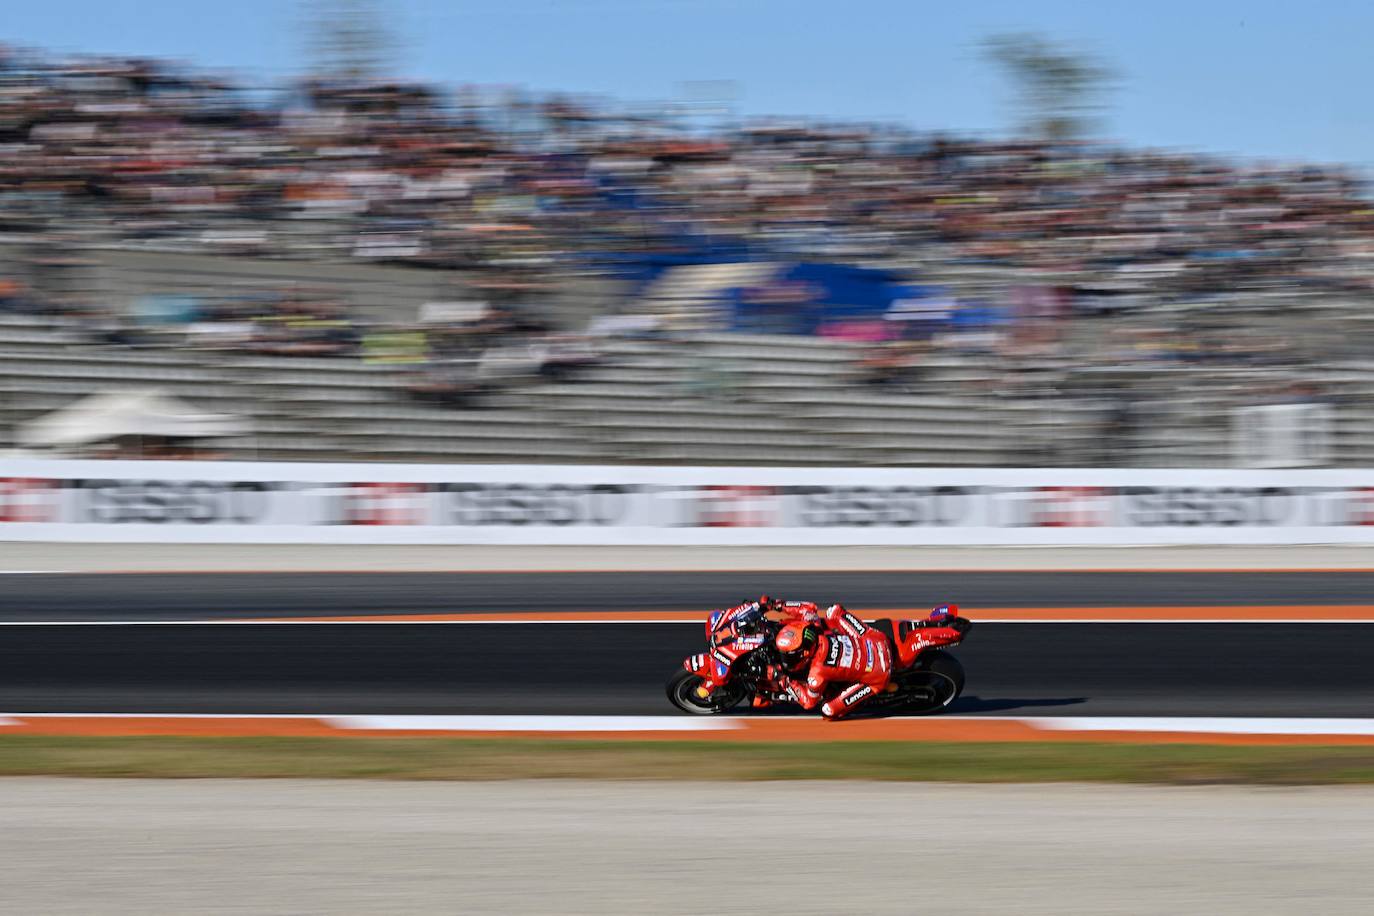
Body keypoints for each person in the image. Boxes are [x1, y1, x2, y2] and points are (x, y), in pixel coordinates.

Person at [773, 603, 963, 720]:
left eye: (790, 654)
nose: (787, 657)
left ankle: (870, 698)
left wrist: (783, 680)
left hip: (877, 676)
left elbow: (807, 702)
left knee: (828, 709)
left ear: (804, 652)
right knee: (833, 612)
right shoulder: (816, 633)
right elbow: (808, 608)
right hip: (875, 639)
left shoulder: (816, 673)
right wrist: (779, 605)